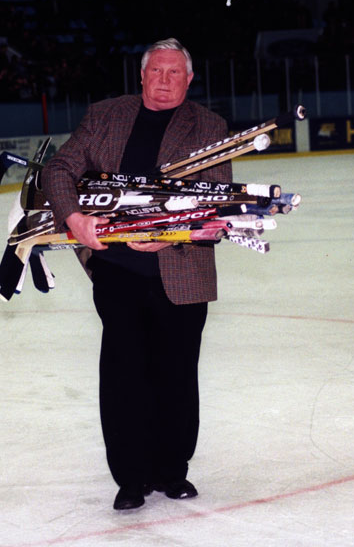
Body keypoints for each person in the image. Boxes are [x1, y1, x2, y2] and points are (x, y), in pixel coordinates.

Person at [40, 38, 231, 511]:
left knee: (177, 375)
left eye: (174, 72)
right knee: (124, 375)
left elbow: (217, 201)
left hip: (182, 273)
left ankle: (172, 471)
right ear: (141, 76)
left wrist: (170, 236)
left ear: (189, 79)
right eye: (156, 71)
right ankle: (130, 477)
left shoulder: (209, 126)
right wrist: (74, 219)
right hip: (118, 271)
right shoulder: (106, 115)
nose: (164, 80)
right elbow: (59, 169)